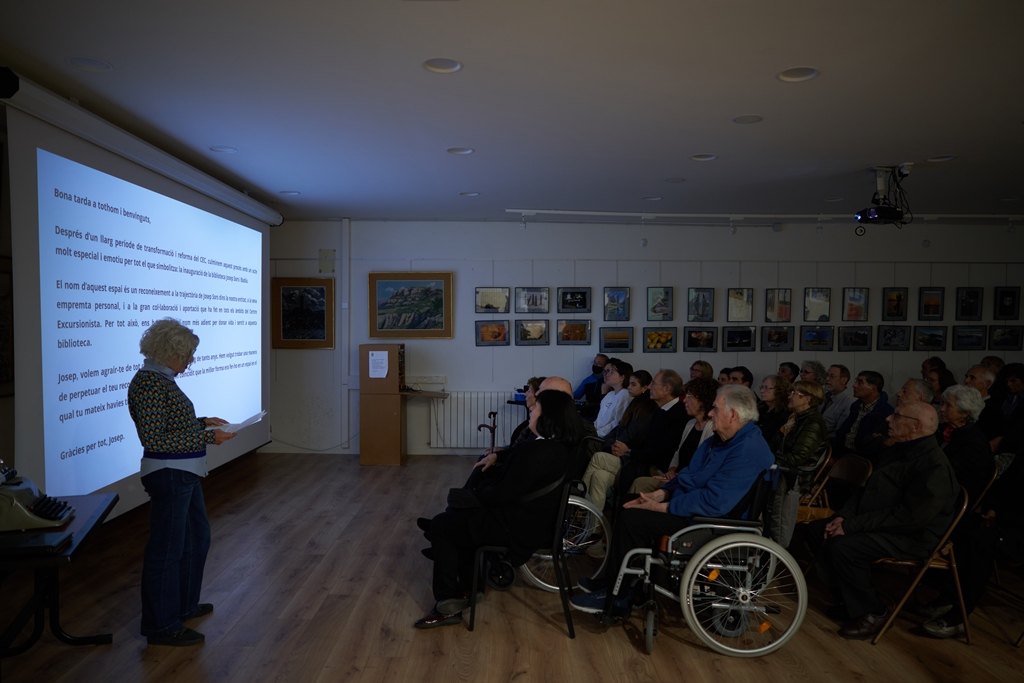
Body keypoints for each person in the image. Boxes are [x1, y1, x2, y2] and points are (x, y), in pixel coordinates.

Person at [569, 385, 774, 615]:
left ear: (733, 414)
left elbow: (715, 501)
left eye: (715, 409)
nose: (710, 413)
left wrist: (662, 507)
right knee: (630, 500)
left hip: (711, 521)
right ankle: (617, 585)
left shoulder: (748, 449)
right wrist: (661, 493)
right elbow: (687, 475)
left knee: (633, 519)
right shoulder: (720, 440)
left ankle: (618, 597)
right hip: (695, 507)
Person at [414, 389, 584, 628]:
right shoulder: (559, 446)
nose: (531, 412)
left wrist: (480, 493)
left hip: (519, 527)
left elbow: (503, 494)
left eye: (536, 409)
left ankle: (448, 602)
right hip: (534, 520)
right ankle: (467, 590)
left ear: (548, 417)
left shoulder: (541, 452)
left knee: (445, 524)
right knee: (457, 517)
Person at [806, 401, 958, 640]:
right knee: (818, 530)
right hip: (883, 522)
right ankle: (850, 600)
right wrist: (843, 516)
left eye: (897, 416)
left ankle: (873, 611)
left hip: (912, 536)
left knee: (843, 546)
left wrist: (850, 526)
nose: (889, 419)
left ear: (916, 425)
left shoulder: (933, 464)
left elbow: (910, 518)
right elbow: (866, 492)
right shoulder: (900, 449)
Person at [127, 318, 236, 647]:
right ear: (168, 351)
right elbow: (155, 438)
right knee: (167, 550)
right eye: (186, 355)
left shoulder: (163, 379)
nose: (190, 361)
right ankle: (161, 625)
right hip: (168, 473)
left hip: (185, 471)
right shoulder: (148, 383)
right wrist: (206, 435)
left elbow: (171, 425)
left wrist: (202, 422)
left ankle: (183, 606)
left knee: (196, 539)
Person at [917, 449, 1024, 639]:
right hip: (1004, 521)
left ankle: (959, 617)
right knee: (960, 525)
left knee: (980, 542)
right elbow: (1004, 487)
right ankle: (949, 595)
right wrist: (992, 511)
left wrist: (1001, 520)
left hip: (1018, 532)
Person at [580, 370, 657, 512]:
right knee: (599, 476)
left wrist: (613, 444)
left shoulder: (646, 407)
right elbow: (619, 427)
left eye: (633, 384)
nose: (629, 387)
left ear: (645, 388)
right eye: (629, 384)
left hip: (631, 460)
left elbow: (632, 434)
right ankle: (593, 525)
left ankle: (579, 500)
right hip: (621, 451)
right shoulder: (635, 402)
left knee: (598, 456)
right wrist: (609, 441)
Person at [628, 377, 718, 495]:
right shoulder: (690, 424)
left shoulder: (712, 430)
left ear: (703, 401)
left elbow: (703, 468)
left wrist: (678, 476)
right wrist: (672, 470)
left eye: (690, 397)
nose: (685, 400)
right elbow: (677, 453)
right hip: (676, 476)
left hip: (688, 484)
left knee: (639, 482)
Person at [769, 380, 829, 547]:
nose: (790, 396)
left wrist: (768, 460)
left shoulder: (813, 424)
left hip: (797, 477)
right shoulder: (794, 419)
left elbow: (797, 459)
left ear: (807, 399)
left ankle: (778, 549)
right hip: (783, 469)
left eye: (794, 393)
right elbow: (775, 444)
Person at [614, 370, 688, 497]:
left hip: (659, 469)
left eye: (653, 383)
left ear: (666, 389)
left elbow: (661, 452)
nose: (649, 387)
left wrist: (628, 451)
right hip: (645, 461)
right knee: (600, 474)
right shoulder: (659, 410)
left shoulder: (679, 415)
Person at [935, 385, 994, 505]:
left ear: (965, 413)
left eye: (948, 406)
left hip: (951, 497)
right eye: (943, 404)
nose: (942, 409)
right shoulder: (945, 430)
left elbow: (949, 474)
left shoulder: (974, 442)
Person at [833, 370, 894, 461]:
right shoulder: (856, 407)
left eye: (860, 382)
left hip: (859, 460)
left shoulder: (886, 413)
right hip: (842, 453)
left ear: (873, 388)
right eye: (856, 381)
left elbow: (870, 448)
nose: (854, 385)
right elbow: (842, 434)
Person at [964, 365, 1005, 449]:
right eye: (966, 377)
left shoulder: (993, 409)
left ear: (986, 384)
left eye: (972, 378)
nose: (966, 381)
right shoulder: (963, 403)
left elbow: (997, 438)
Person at [593, 358, 633, 438]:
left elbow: (617, 423)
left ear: (622, 377)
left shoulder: (625, 395)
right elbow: (599, 419)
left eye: (612, 372)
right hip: (596, 433)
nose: (607, 375)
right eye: (607, 372)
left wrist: (596, 434)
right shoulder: (610, 394)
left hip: (607, 438)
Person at [821, 364, 857, 439]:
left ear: (843, 380)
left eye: (832, 376)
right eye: (827, 375)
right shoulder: (825, 395)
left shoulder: (849, 402)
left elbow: (839, 433)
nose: (827, 379)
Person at [757, 374, 792, 449]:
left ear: (779, 390)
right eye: (762, 387)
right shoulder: (760, 409)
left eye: (766, 388)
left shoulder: (784, 414)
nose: (761, 391)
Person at [574, 353, 609, 420]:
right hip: (589, 412)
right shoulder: (587, 380)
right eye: (594, 362)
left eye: (599, 363)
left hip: (604, 413)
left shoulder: (609, 380)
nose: (595, 365)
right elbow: (576, 395)